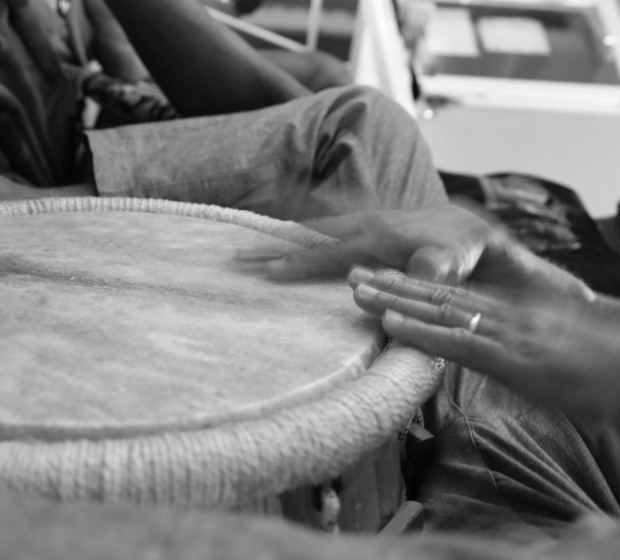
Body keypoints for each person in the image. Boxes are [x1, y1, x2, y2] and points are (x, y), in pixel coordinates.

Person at [0, 0, 360, 215]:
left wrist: (123, 54)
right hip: (70, 147)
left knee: (335, 90)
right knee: (346, 130)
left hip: (91, 101)